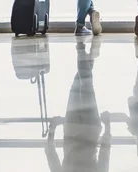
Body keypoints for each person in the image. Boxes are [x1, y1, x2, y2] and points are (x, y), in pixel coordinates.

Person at [45, 38, 112, 172]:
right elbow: (50, 154)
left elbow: (104, 155)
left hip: (90, 130)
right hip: (72, 129)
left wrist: (108, 127)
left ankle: (85, 51)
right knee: (81, 83)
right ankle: (80, 46)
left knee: (83, 83)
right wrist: (52, 130)